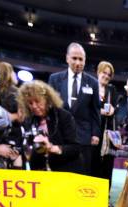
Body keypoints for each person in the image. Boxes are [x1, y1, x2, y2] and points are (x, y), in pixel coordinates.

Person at [48, 43, 101, 176]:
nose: (78, 62)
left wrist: (95, 133)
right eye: (74, 58)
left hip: (83, 137)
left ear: (85, 60)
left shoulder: (93, 83)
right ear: (67, 58)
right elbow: (49, 108)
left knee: (82, 175)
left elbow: (95, 110)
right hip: (60, 137)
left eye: (81, 59)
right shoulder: (54, 79)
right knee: (60, 175)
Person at [22, 81, 81, 174]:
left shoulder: (63, 116)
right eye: (30, 103)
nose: (34, 106)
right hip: (39, 173)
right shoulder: (28, 120)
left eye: (37, 101)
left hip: (64, 172)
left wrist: (52, 148)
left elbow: (75, 149)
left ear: (47, 99)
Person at [93, 61, 117, 186]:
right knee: (93, 161)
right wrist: (100, 111)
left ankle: (105, 195)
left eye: (109, 74)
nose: (106, 76)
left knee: (107, 163)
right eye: (104, 72)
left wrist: (114, 109)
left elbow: (115, 107)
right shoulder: (91, 86)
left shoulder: (112, 89)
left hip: (108, 133)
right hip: (93, 131)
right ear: (98, 71)